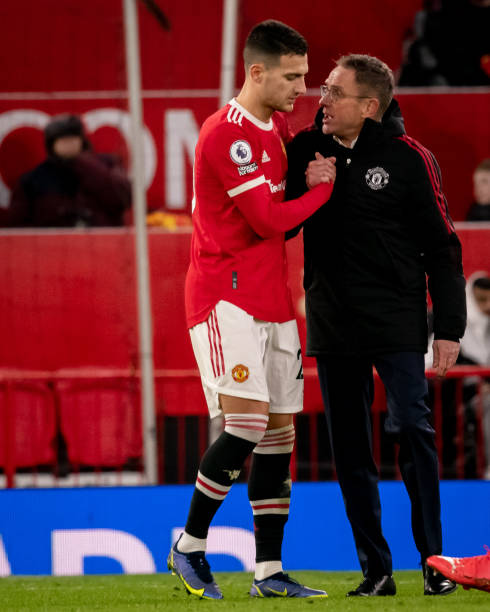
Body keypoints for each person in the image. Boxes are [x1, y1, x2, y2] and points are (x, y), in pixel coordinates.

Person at [286, 54, 466, 596]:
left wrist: (449, 329)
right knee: (351, 449)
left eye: (335, 92)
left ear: (369, 106)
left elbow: (442, 246)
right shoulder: (302, 150)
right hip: (333, 321)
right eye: (323, 90)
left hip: (396, 319)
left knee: (412, 427)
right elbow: (276, 224)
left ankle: (435, 563)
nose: (322, 99)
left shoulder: (410, 158)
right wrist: (303, 191)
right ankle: (376, 571)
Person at [167, 20, 336, 600]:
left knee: (280, 435)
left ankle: (268, 571)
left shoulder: (277, 125)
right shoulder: (226, 134)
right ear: (256, 71)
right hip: (224, 296)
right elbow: (268, 222)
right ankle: (189, 545)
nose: (301, 86)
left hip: (273, 299)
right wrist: (319, 192)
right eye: (292, 76)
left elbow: (270, 214)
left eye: (306, 75)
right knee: (245, 421)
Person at [6, 114, 131, 227]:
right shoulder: (33, 180)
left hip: (105, 243)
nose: (68, 144)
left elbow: (123, 200)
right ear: (51, 144)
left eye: (72, 139)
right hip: (52, 247)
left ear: (82, 141)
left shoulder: (107, 165)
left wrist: (83, 162)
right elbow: (17, 225)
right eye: (62, 140)